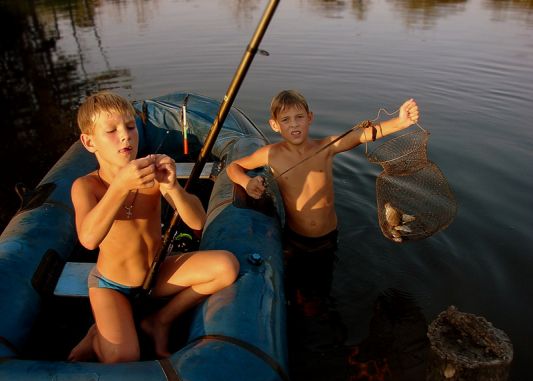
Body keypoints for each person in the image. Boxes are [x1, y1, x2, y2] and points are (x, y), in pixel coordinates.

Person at [68, 91, 239, 363]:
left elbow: (198, 222)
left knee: (226, 267)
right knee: (125, 356)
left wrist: (172, 186)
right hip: (112, 285)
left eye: (131, 126)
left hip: (156, 274)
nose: (125, 135)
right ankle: (96, 334)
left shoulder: (152, 173)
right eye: (111, 130)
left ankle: (161, 320)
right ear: (89, 142)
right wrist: (121, 186)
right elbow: (89, 238)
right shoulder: (87, 186)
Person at [226, 89, 419, 318]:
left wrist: (399, 122)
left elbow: (360, 135)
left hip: (328, 240)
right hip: (295, 241)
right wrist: (247, 182)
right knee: (297, 289)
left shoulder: (325, 147)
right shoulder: (271, 154)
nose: (294, 125)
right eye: (286, 120)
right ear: (275, 125)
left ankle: (316, 309)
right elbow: (233, 168)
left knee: (321, 288)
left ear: (310, 118)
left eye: (299, 117)